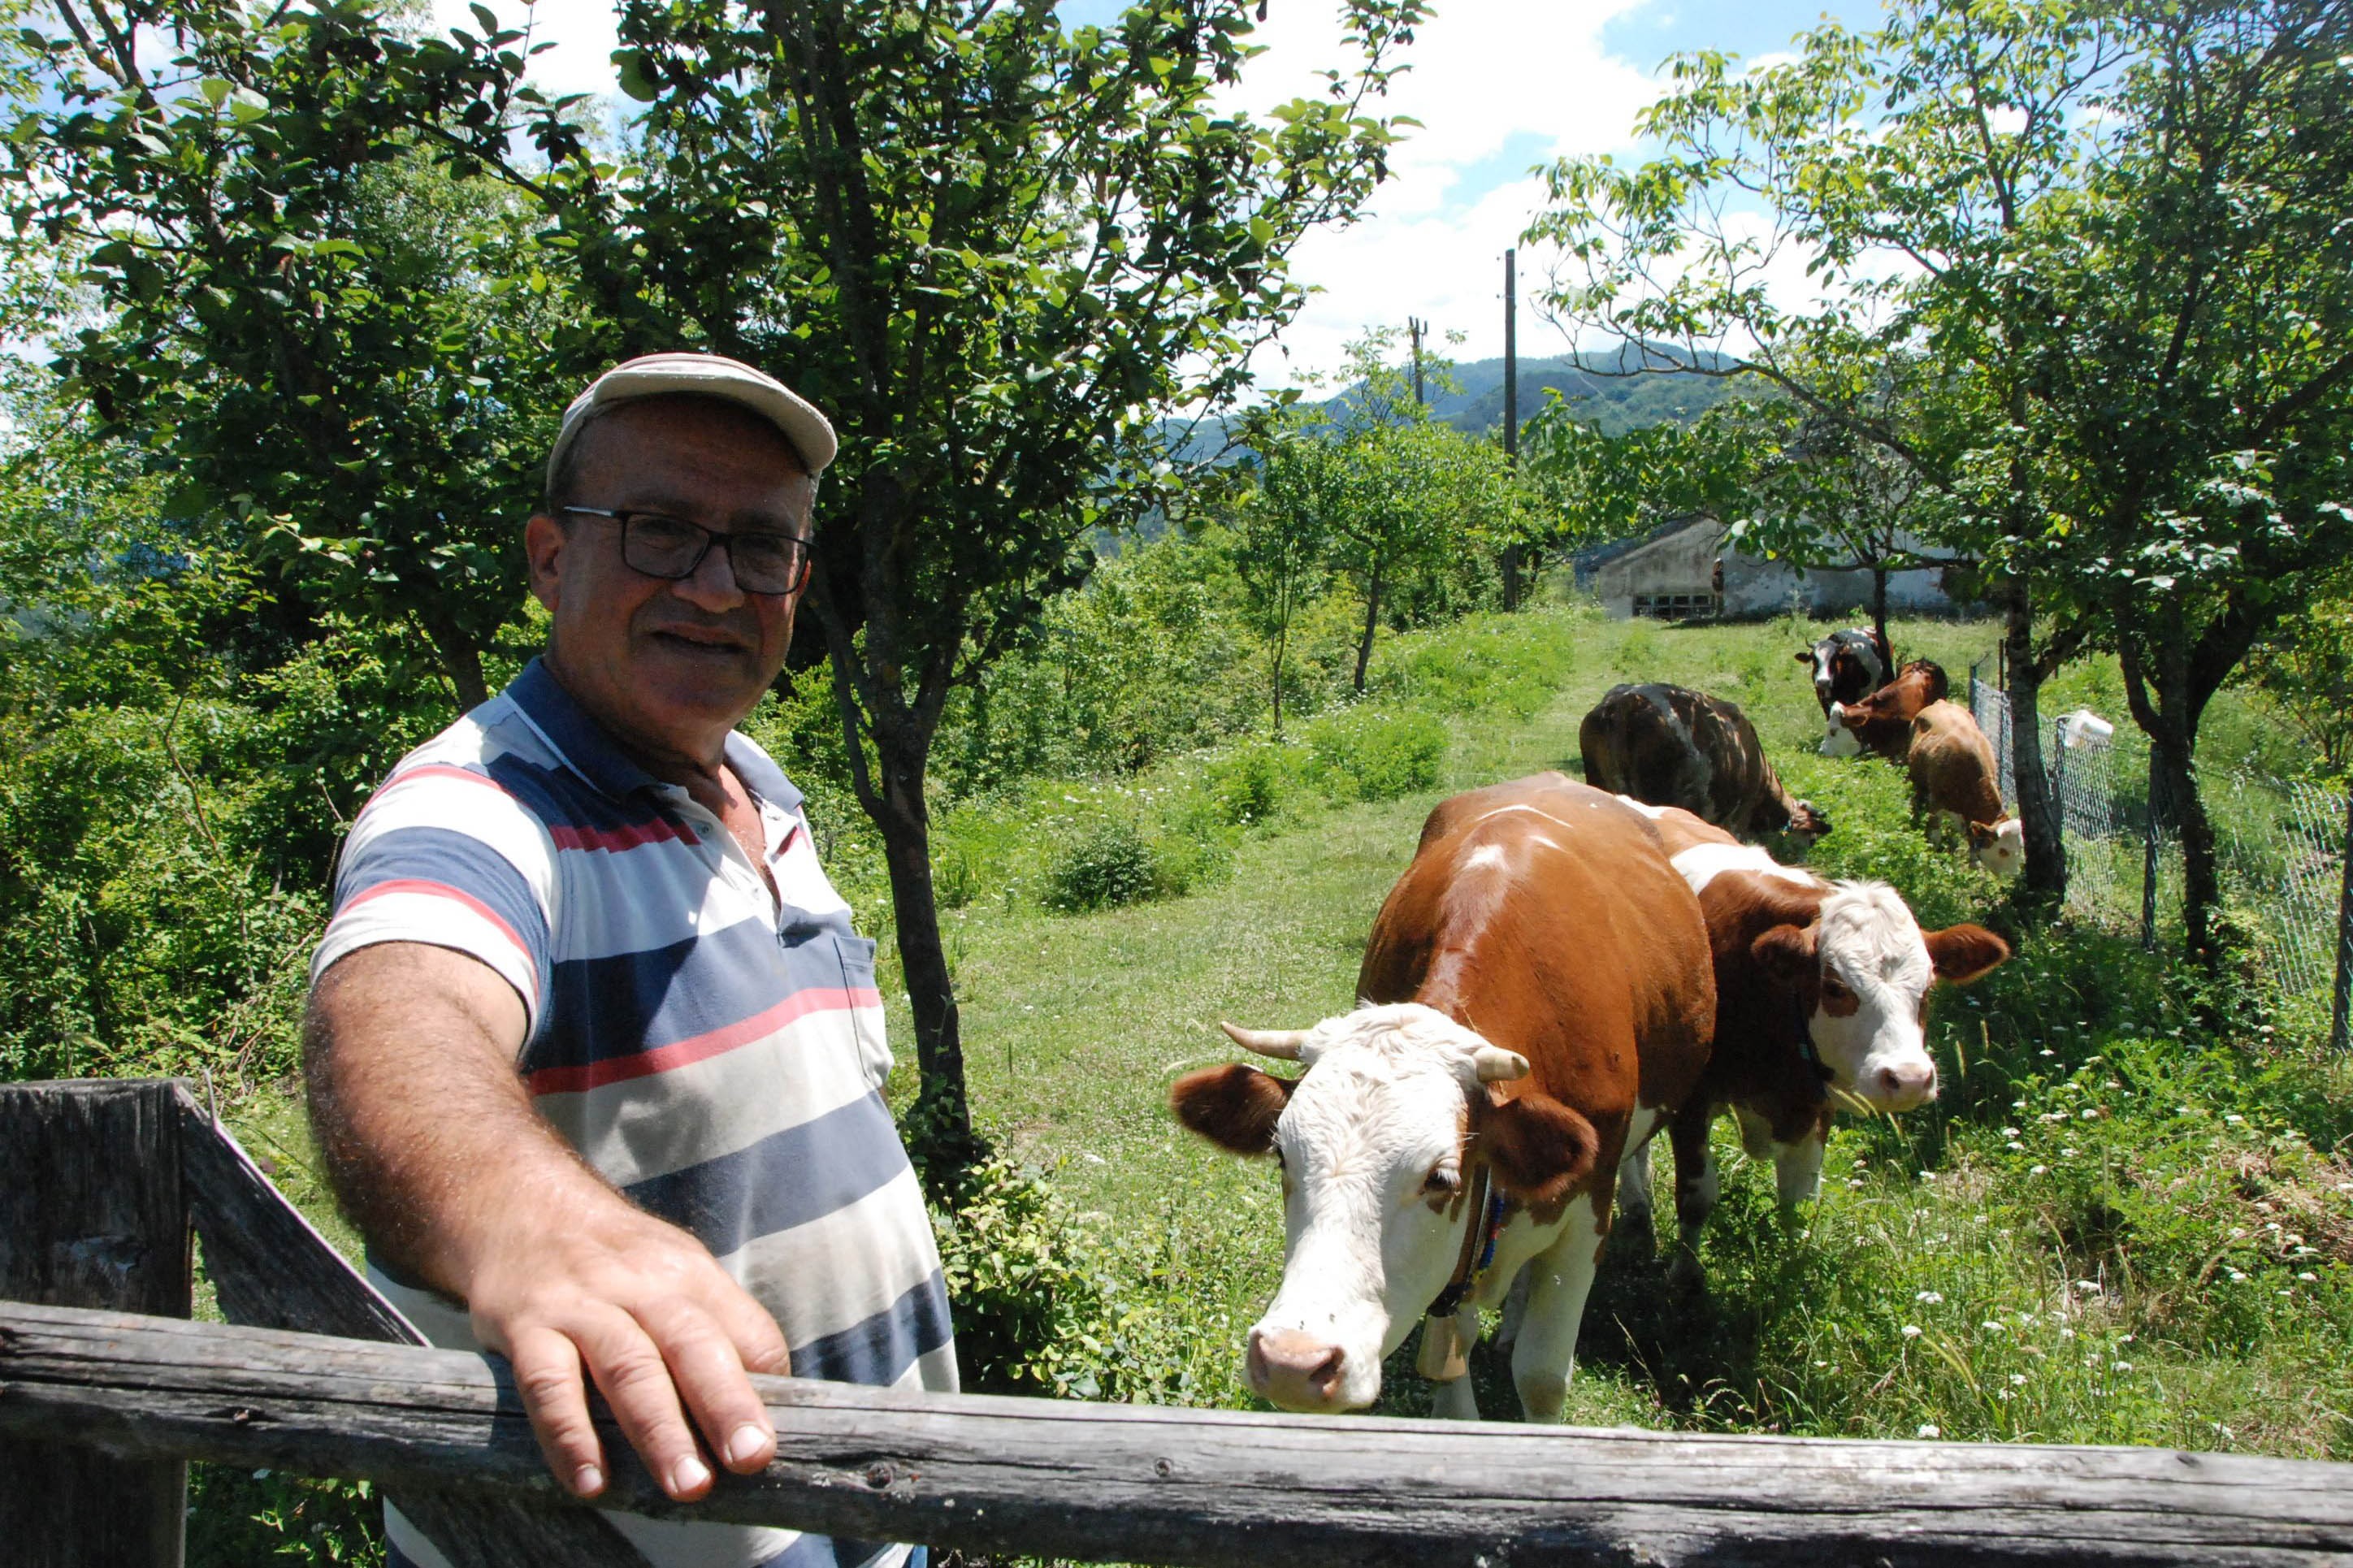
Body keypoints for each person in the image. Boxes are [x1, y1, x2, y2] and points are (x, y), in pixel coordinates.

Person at [303, 353, 956, 1568]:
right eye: (661, 531)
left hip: (865, 1518)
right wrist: (525, 1222)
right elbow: (398, 1016)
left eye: (761, 546)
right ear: (552, 558)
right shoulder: (478, 807)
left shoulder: (755, 782)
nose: (716, 586)